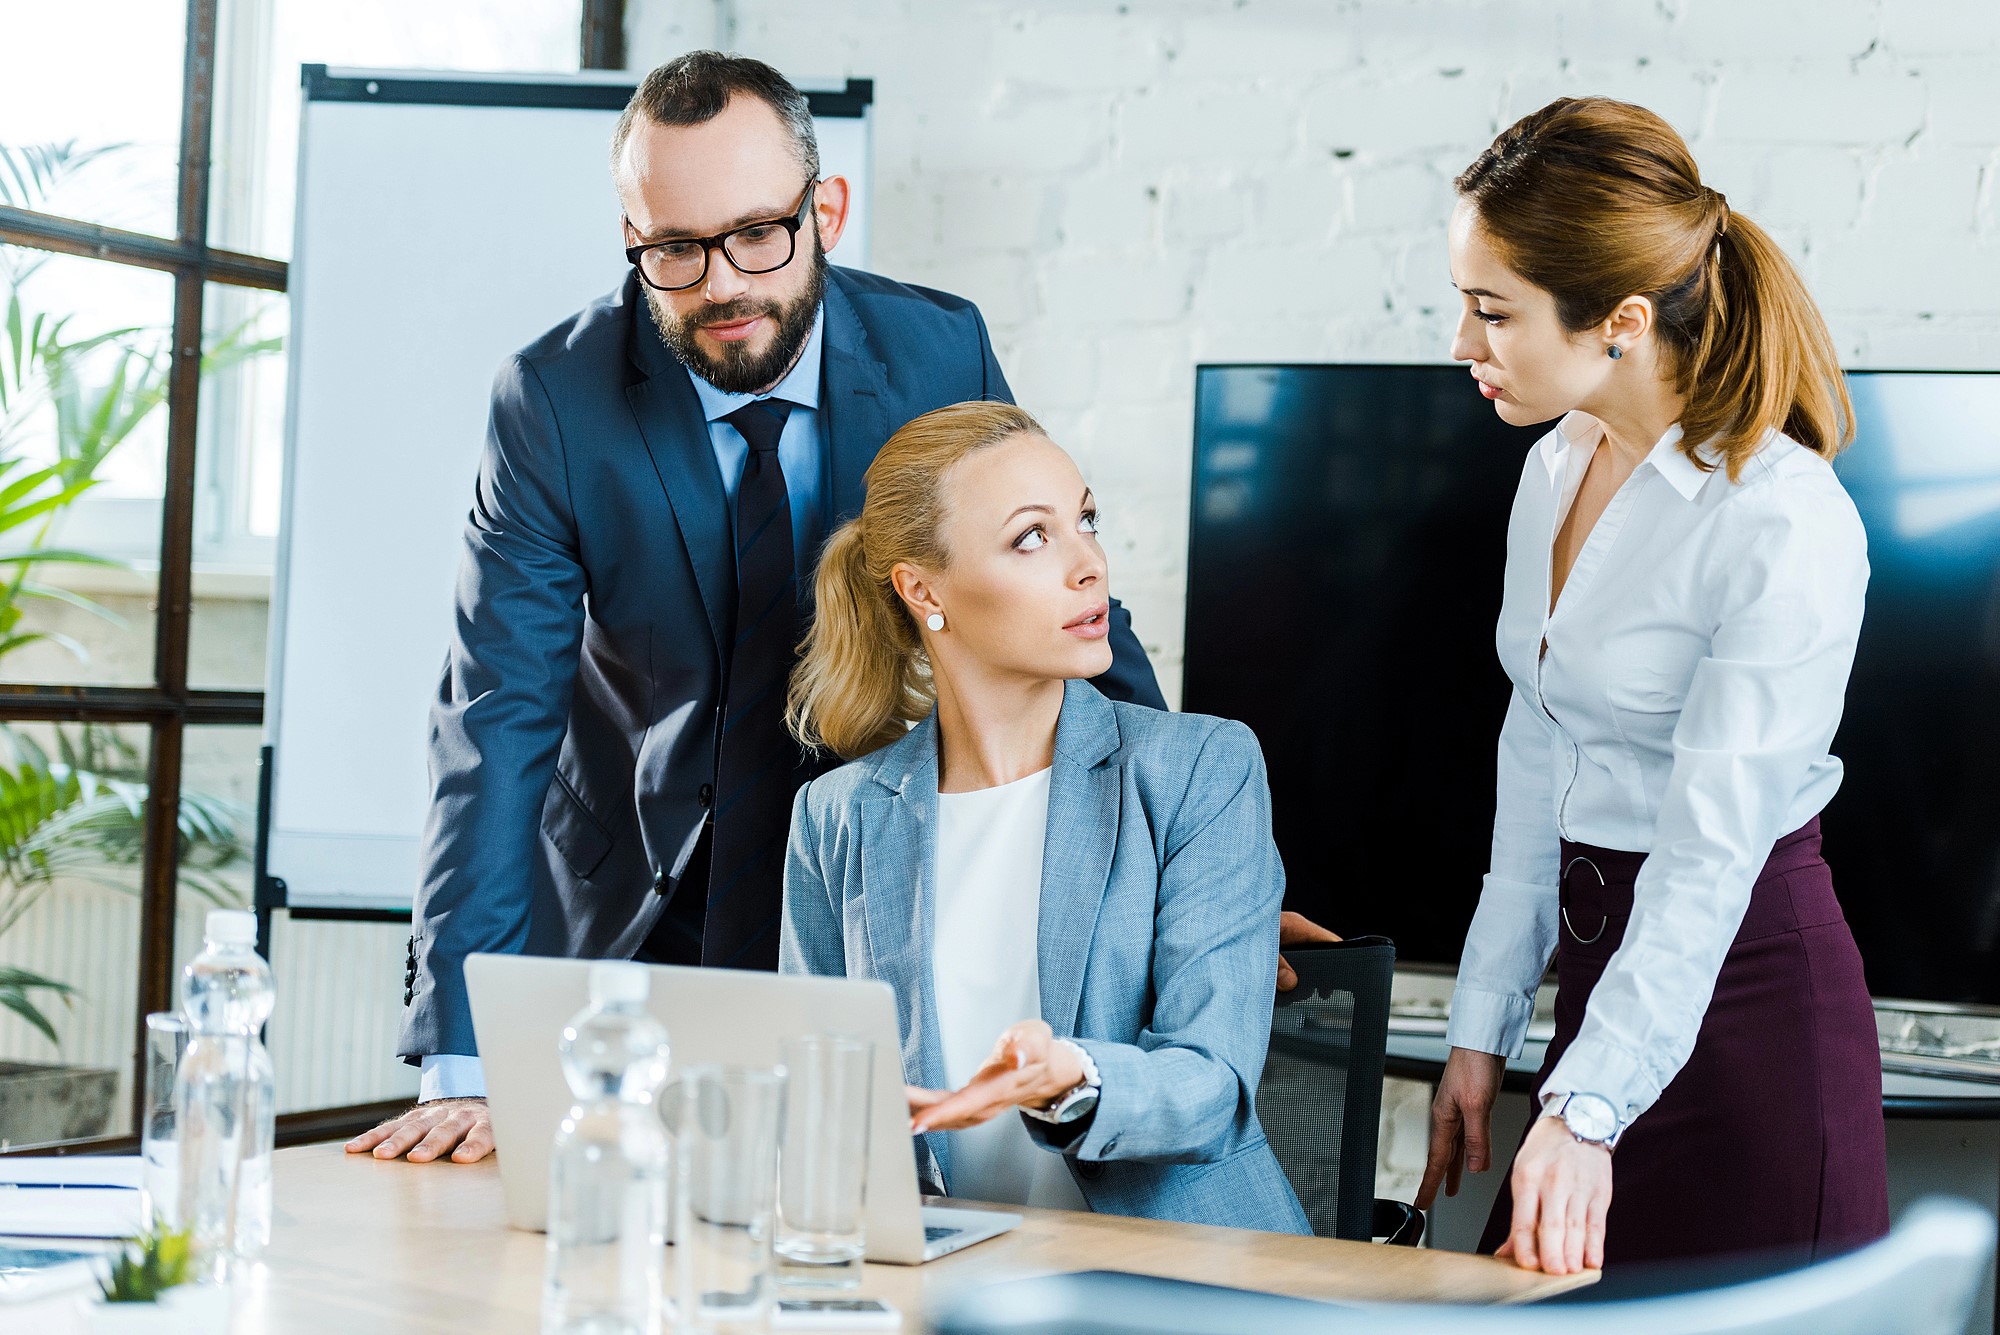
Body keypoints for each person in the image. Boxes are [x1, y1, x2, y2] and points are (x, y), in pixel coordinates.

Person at [350, 52, 1166, 1166]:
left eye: (756, 236)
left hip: (867, 892)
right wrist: (466, 1061)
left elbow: (1059, 603)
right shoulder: (552, 400)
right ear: (633, 239)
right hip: (636, 903)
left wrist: (1185, 869)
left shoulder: (937, 350)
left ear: (824, 209)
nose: (722, 285)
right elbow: (494, 719)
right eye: (673, 251)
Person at [1415, 96, 1887, 1274]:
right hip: (1601, 994)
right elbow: (1537, 761)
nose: (1461, 345)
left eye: (1491, 312)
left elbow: (1706, 859)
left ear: (1619, 321)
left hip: (1743, 1005)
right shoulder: (1555, 464)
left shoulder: (1781, 522)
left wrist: (1584, 1109)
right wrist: (1480, 1028)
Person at [780, 401, 1311, 1233]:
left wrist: (1075, 1077)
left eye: (1086, 520)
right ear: (923, 590)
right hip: (947, 1280)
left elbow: (1213, 1082)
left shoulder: (1200, 768)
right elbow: (813, 1089)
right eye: (1034, 536)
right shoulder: (836, 817)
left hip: (1174, 1277)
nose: (1090, 563)